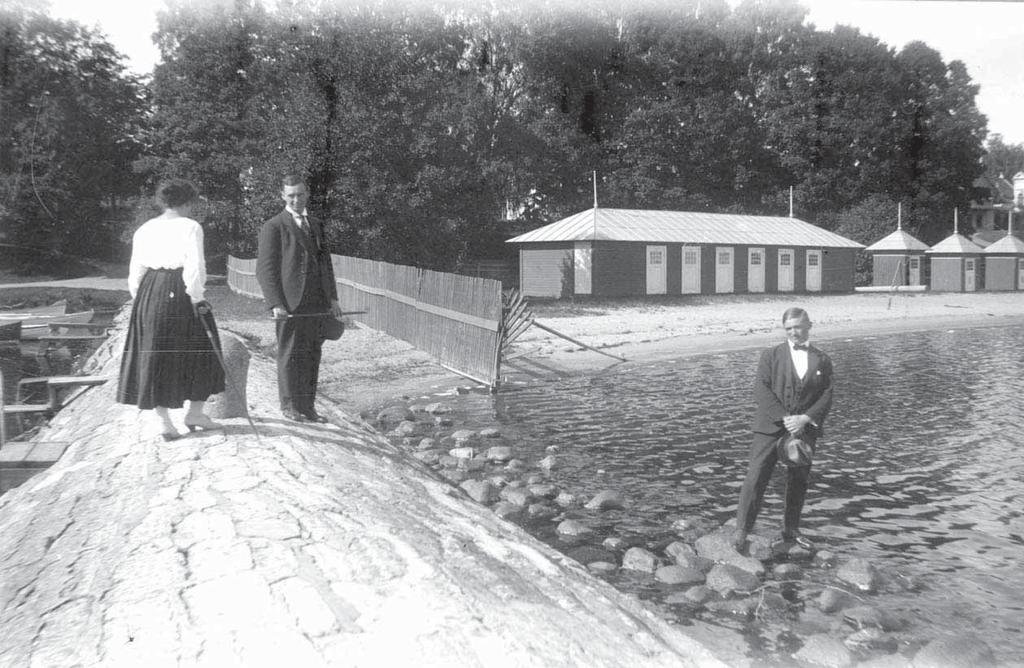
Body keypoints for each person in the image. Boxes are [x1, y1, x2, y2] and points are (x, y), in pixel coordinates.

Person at [117, 179, 225, 440]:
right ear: (188, 202)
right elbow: (195, 266)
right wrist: (197, 297)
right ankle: (195, 412)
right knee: (202, 347)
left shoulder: (145, 229)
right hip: (180, 289)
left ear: (163, 201)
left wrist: (144, 300)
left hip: (150, 291)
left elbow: (135, 273)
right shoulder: (190, 227)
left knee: (156, 353)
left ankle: (165, 421)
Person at [733, 306, 834, 551]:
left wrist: (805, 419)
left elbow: (827, 394)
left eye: (798, 327)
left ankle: (791, 529)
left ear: (809, 325)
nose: (794, 333)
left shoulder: (822, 359)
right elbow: (761, 389)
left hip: (804, 429)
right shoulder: (771, 355)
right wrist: (785, 417)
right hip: (770, 425)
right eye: (788, 328)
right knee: (756, 475)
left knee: (799, 479)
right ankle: (741, 530)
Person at [256, 174, 342, 422]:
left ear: (307, 195)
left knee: (312, 353)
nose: (296, 199)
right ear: (283, 196)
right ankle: (290, 406)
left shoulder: (315, 224)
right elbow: (265, 269)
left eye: (300, 194)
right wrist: (275, 303)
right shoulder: (273, 226)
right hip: (289, 304)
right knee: (290, 353)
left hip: (317, 303)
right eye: (291, 195)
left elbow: (326, 264)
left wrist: (333, 299)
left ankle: (308, 406)